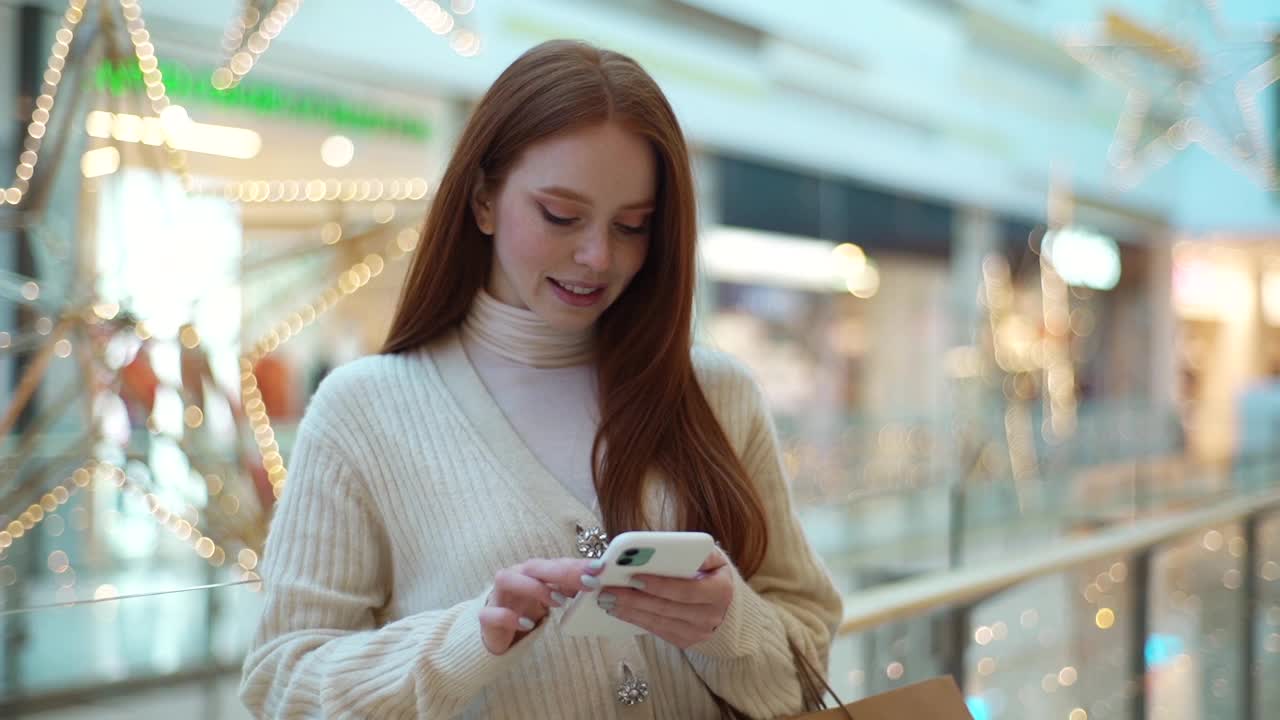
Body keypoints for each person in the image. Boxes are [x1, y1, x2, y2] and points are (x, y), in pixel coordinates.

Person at [240, 39, 842, 719]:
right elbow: (281, 684)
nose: (596, 257)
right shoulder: (364, 411)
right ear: (483, 201)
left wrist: (728, 625)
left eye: (633, 227)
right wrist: (469, 638)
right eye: (560, 216)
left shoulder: (715, 394)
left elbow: (807, 651)